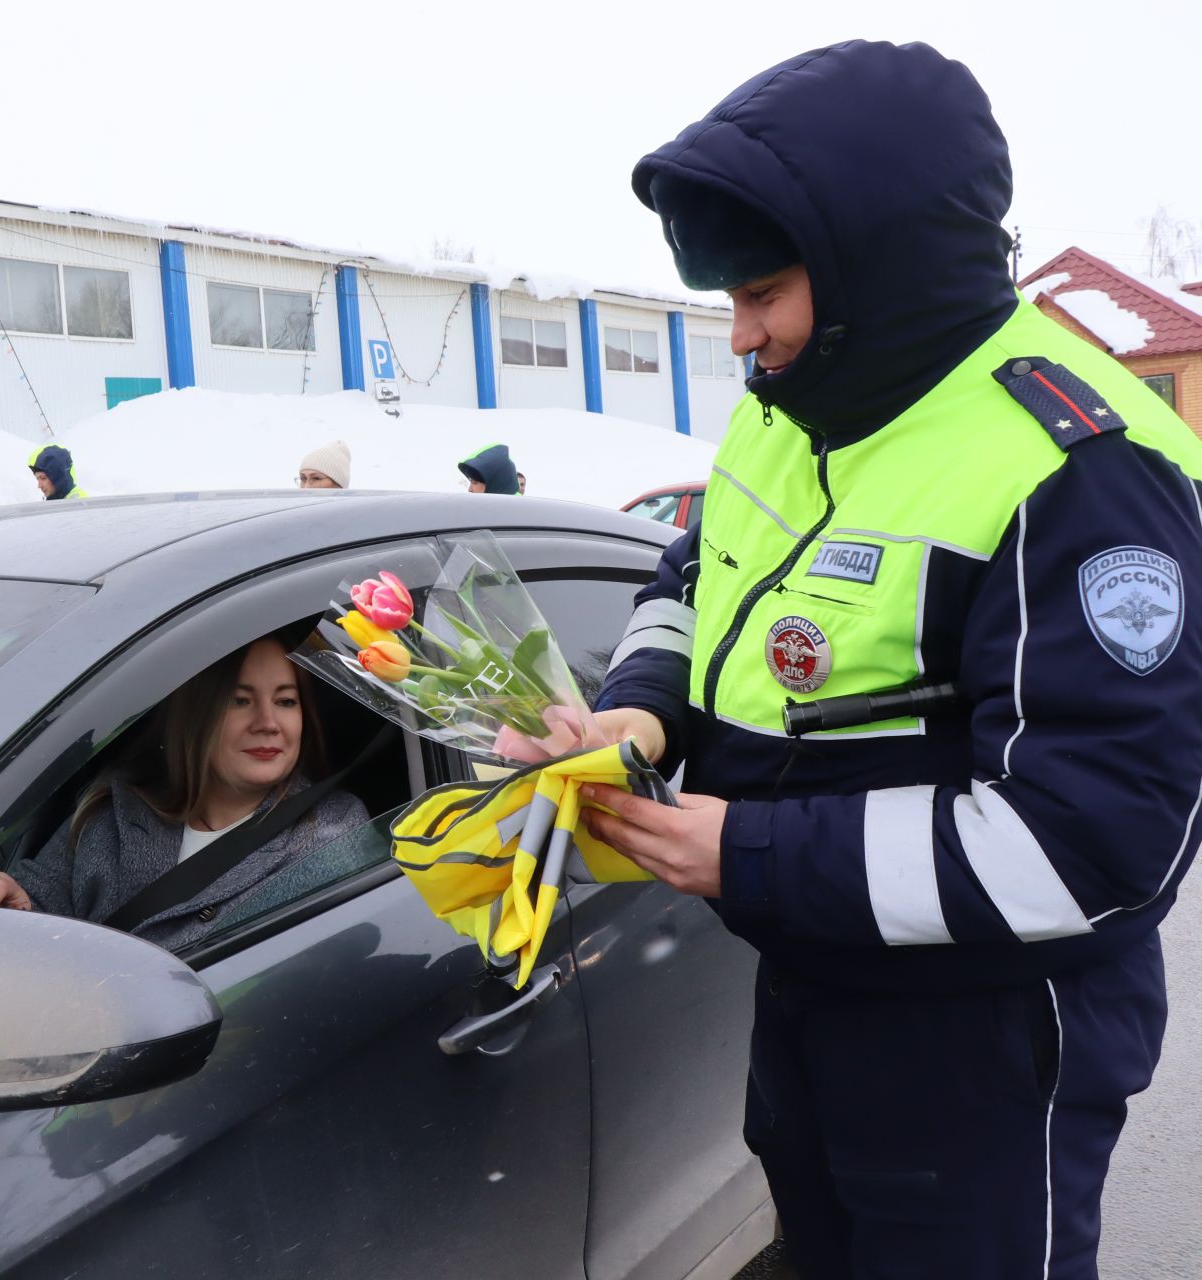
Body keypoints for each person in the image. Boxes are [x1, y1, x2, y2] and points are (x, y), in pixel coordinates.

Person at [511, 40, 1202, 1279]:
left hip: (985, 1039)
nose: (741, 338)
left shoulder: (1075, 463)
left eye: (764, 292)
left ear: (879, 267)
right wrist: (639, 719)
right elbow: (694, 580)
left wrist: (743, 850)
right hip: (813, 985)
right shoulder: (797, 410)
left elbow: (1096, 845)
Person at [0, 636, 370, 950]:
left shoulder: (331, 834)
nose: (268, 722)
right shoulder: (114, 806)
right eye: (239, 700)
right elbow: (45, 901)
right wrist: (18, 904)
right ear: (196, 717)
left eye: (285, 701)